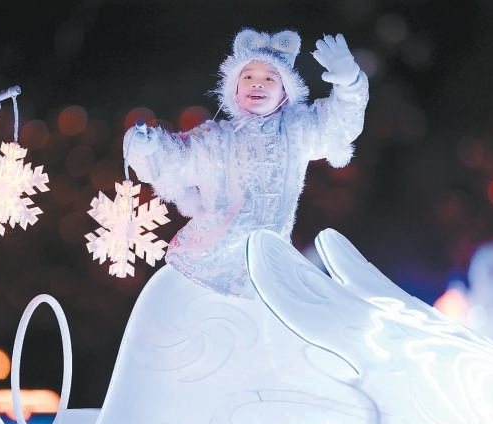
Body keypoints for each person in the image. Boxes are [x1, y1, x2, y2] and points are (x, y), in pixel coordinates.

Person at [124, 28, 369, 297]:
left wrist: (350, 85)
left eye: (269, 78)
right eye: (248, 77)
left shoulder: (297, 133)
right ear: (235, 89)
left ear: (285, 91)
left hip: (268, 274)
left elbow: (337, 125)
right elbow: (179, 159)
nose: (257, 84)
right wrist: (149, 146)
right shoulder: (217, 140)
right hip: (203, 266)